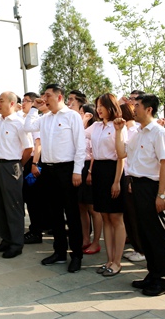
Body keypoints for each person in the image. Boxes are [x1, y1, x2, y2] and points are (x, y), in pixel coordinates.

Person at [115, 94, 165, 297]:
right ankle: (153, 274)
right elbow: (121, 153)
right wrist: (118, 131)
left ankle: (163, 279)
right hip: (137, 186)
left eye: (137, 105)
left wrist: (162, 194)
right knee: (145, 233)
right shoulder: (137, 132)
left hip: (152, 187)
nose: (134, 109)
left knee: (158, 234)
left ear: (149, 109)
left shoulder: (159, 133)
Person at [25, 84, 86, 273]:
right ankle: (59, 252)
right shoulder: (45, 118)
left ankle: (76, 255)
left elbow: (80, 146)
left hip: (67, 170)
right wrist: (34, 108)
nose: (44, 98)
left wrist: (77, 171)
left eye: (48, 95)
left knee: (72, 214)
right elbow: (27, 127)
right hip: (49, 170)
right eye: (43, 95)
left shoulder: (72, 116)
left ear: (59, 97)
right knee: (54, 213)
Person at [0, 91, 33, 258]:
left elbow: (29, 148)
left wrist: (19, 165)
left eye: (1, 101)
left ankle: (16, 243)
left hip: (11, 166)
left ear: (12, 103)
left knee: (13, 206)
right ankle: (5, 239)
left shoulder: (19, 123)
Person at [87, 93, 126, 277]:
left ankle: (117, 262)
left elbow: (121, 157)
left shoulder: (119, 126)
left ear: (111, 106)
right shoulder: (95, 126)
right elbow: (78, 133)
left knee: (116, 218)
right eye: (97, 105)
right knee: (105, 216)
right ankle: (109, 259)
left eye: (102, 105)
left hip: (113, 171)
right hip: (99, 171)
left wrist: (117, 181)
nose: (99, 109)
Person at [119, 103, 146, 263]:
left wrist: (130, 179)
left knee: (134, 216)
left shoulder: (135, 131)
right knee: (128, 216)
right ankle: (137, 247)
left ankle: (141, 250)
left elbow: (133, 157)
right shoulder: (126, 130)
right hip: (126, 175)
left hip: (132, 175)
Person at [78, 103, 102, 255]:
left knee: (93, 208)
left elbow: (94, 153)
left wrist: (90, 172)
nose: (79, 114)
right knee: (81, 206)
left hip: (90, 167)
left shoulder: (95, 129)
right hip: (79, 166)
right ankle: (85, 238)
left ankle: (96, 241)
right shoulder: (82, 128)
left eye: (82, 112)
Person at [21, 92, 44, 244]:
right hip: (27, 160)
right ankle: (34, 230)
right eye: (23, 100)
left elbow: (38, 144)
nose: (23, 103)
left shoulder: (36, 121)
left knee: (34, 199)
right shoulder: (24, 119)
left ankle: (36, 232)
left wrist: (34, 164)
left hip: (33, 162)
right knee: (29, 198)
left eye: (27, 101)